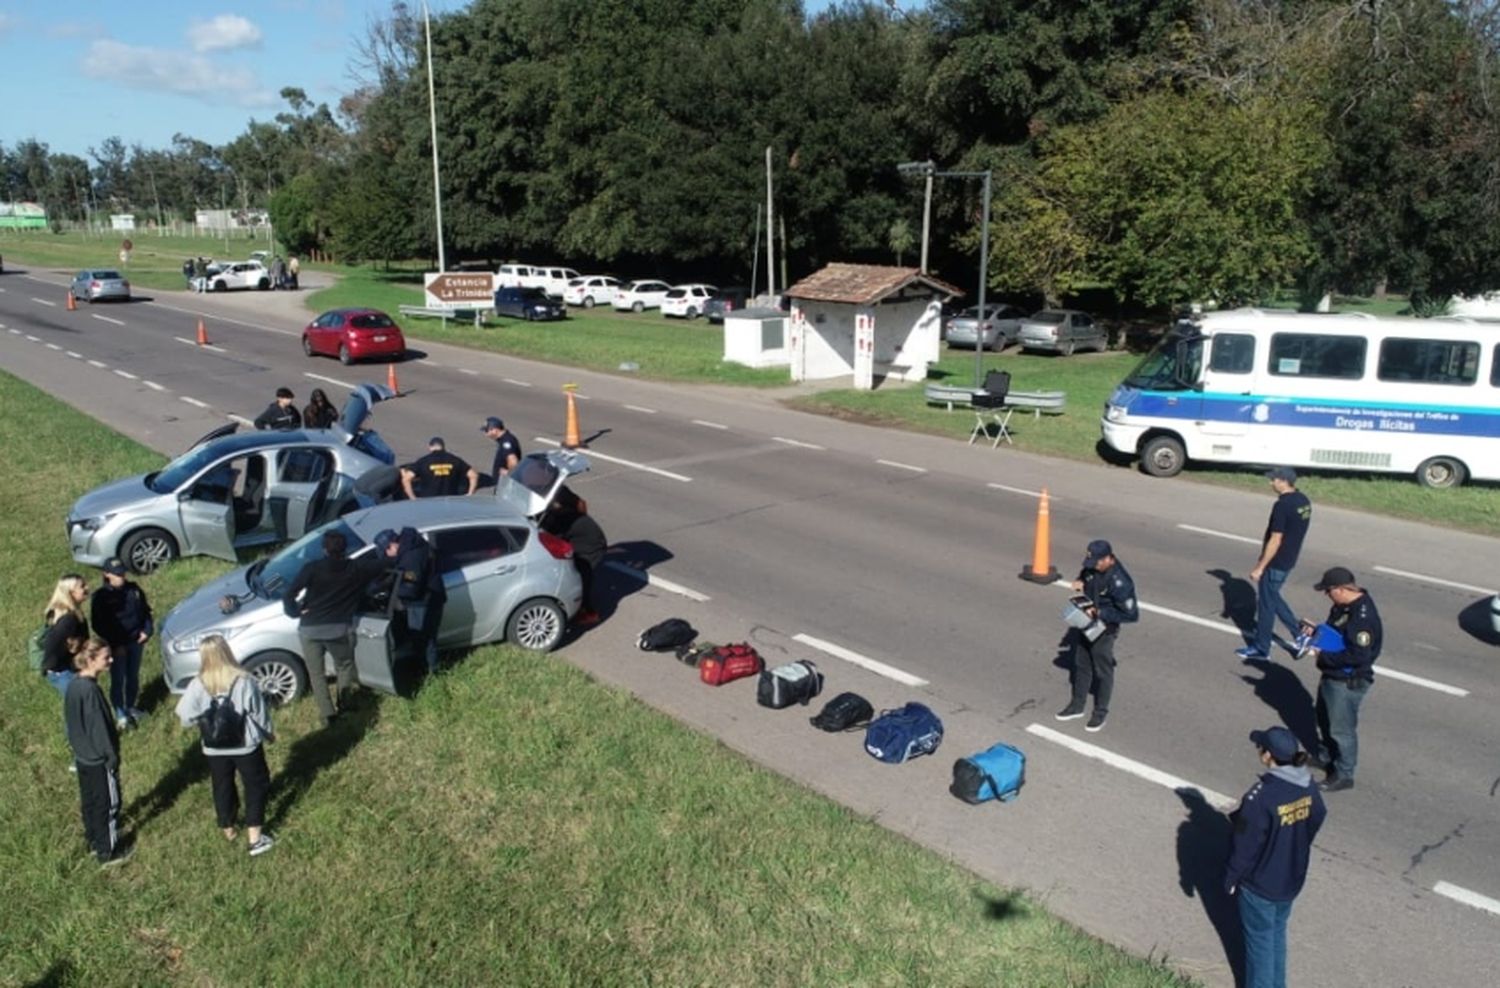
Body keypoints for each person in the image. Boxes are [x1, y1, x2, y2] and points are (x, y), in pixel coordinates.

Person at [1225, 725, 1326, 988]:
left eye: (1260, 748)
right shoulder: (1306, 784)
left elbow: (1245, 846)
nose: (1259, 751)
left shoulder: (1261, 797)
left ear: (1268, 755)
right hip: (1290, 879)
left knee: (1259, 944)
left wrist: (1231, 877)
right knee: (1276, 935)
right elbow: (1317, 816)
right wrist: (1296, 844)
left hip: (1260, 885)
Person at [175, 635, 277, 856]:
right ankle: (255, 839)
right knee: (255, 786)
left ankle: (228, 827)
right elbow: (259, 713)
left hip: (214, 748)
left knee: (222, 785)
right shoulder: (244, 680)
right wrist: (269, 733)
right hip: (246, 745)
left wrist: (204, 722)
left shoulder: (197, 684)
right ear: (226, 652)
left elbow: (184, 716)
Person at [283, 530, 390, 725]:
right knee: (344, 666)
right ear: (346, 549)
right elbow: (384, 564)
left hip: (309, 629)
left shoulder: (312, 568)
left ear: (324, 549)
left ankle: (327, 714)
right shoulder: (356, 568)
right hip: (338, 630)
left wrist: (296, 612)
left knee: (316, 674)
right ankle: (345, 703)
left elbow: (288, 595)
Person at [1300, 566, 1381, 793]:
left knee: (1341, 729)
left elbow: (1358, 655)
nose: (1327, 595)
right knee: (1324, 718)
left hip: (1347, 680)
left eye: (1328, 591)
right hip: (1332, 675)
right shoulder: (1343, 606)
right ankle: (1326, 757)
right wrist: (1316, 632)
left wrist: (1320, 654)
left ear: (1341, 589)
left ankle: (1344, 773)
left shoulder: (1362, 618)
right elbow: (1336, 634)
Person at [1055, 539, 1138, 732]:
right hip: (1086, 622)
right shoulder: (1093, 567)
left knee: (1103, 671)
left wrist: (1101, 613)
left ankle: (1100, 713)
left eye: (1096, 563)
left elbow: (1131, 614)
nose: (1092, 567)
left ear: (1108, 558)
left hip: (1105, 629)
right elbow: (1085, 575)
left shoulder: (1121, 582)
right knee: (1081, 663)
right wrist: (1080, 583)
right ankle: (1077, 705)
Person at [65, 638, 131, 866]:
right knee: (109, 804)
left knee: (91, 802)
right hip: (99, 759)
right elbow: (100, 729)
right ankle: (108, 851)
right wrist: (111, 757)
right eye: (106, 657)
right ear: (91, 659)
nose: (111, 660)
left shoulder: (74, 685)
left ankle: (93, 840)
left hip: (83, 757)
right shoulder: (91, 691)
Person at [1237, 467, 1313, 660]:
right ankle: (1300, 634)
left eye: (1273, 480)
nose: (1271, 483)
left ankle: (1262, 648)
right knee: (1272, 597)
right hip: (1289, 558)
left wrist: (1260, 566)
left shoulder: (1282, 505)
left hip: (1276, 561)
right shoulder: (1303, 500)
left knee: (1266, 606)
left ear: (1283, 481)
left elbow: (1276, 539)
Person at [90, 557, 153, 730]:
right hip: (117, 646)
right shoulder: (101, 597)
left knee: (132, 676)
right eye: (117, 574)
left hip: (135, 641)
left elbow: (146, 612)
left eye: (123, 573)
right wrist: (116, 645)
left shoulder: (134, 590)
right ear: (106, 574)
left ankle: (131, 706)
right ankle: (120, 714)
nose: (121, 577)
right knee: (118, 680)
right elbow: (98, 625)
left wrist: (147, 631)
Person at [375, 527, 446, 674]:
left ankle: (433, 673)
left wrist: (390, 593)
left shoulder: (411, 557)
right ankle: (428, 669)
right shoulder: (411, 547)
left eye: (386, 553)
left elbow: (410, 588)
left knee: (424, 639)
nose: (387, 557)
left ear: (392, 546)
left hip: (424, 602)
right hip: (427, 598)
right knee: (425, 638)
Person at [541, 487, 607, 626]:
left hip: (591, 546)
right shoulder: (551, 511)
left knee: (581, 578)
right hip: (579, 538)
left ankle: (589, 612)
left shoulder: (556, 518)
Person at [42, 574, 91, 698]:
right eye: (82, 586)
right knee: (79, 702)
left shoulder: (68, 612)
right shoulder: (68, 619)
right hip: (63, 671)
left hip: (66, 669)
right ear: (70, 592)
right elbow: (51, 643)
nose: (87, 587)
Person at [400, 437, 479, 499]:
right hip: (450, 501)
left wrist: (412, 497)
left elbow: (406, 479)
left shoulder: (423, 461)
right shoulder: (454, 460)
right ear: (443, 447)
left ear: (430, 447)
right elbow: (473, 475)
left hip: (429, 502)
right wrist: (470, 494)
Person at [482, 416, 522, 482]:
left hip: (505, 483)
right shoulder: (503, 440)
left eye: (486, 430)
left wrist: (509, 473)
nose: (485, 434)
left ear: (495, 430)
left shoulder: (507, 442)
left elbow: (513, 462)